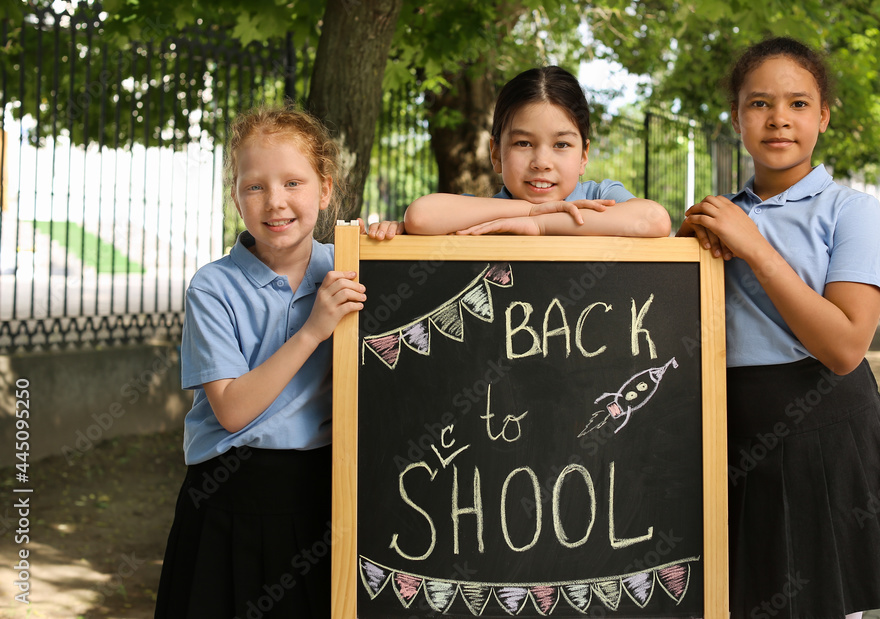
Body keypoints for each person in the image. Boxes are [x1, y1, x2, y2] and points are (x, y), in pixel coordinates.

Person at [678, 37, 880, 618]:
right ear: (738, 116)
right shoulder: (713, 218)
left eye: (797, 104)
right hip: (727, 438)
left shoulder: (851, 210)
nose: (778, 119)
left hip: (825, 432)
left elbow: (845, 347)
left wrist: (755, 246)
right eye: (759, 103)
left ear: (822, 116)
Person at [155, 106, 373, 618]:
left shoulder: (350, 270)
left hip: (324, 495)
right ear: (236, 197)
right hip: (230, 501)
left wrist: (387, 243)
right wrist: (313, 329)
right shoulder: (214, 286)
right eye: (255, 187)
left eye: (293, 182)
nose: (275, 202)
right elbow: (231, 410)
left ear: (324, 190)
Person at [398, 65, 671, 238]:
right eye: (523, 143)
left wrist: (541, 225)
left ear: (584, 156)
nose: (541, 162)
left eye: (561, 145)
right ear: (495, 154)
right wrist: (527, 212)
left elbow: (655, 220)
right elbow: (421, 216)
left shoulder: (601, 198)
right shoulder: (485, 212)